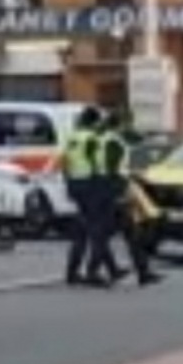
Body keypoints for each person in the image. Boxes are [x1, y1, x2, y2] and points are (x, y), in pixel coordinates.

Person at [97, 110, 164, 287]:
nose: (128, 127)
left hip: (110, 189)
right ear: (119, 124)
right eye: (126, 123)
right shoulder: (112, 142)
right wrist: (121, 191)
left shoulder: (106, 139)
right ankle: (108, 270)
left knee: (130, 233)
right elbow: (112, 168)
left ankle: (141, 272)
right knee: (107, 234)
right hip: (114, 190)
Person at [59, 107, 103, 286]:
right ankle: (92, 272)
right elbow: (98, 164)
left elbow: (64, 161)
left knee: (80, 232)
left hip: (75, 184)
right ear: (94, 122)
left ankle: (72, 272)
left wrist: (68, 182)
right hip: (90, 185)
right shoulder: (93, 139)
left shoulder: (72, 137)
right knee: (97, 231)